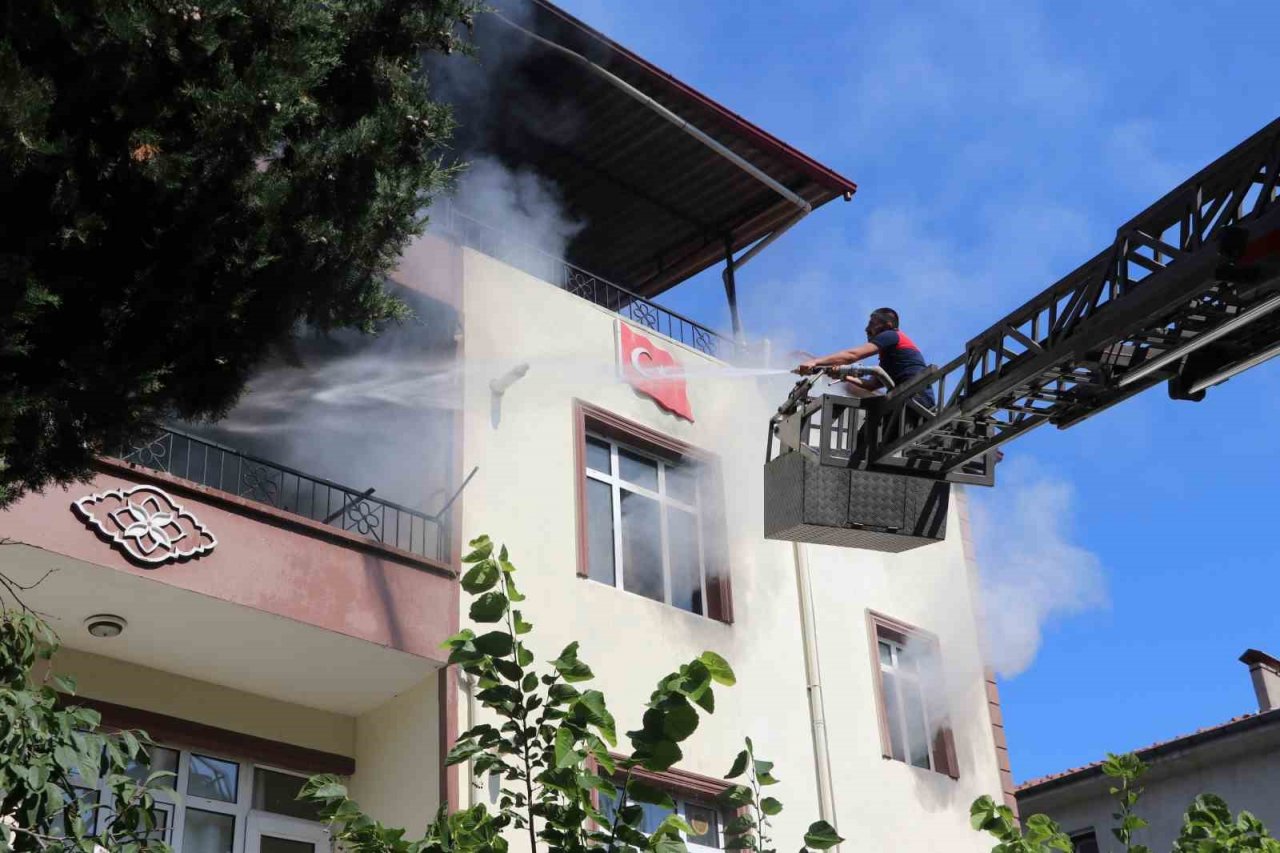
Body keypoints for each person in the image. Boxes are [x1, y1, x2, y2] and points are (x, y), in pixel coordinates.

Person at [794, 307, 936, 409]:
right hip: (910, 399)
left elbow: (852, 355)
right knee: (866, 435)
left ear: (888, 325)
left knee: (870, 433)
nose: (867, 329)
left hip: (915, 398)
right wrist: (844, 376)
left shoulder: (892, 335)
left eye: (872, 324)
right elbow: (872, 385)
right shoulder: (890, 355)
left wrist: (815, 362)